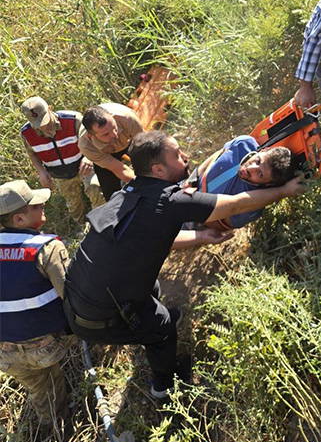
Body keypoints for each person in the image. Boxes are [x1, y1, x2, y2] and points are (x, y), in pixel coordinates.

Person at [63, 131, 307, 398]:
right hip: (100, 316)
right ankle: (163, 387)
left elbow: (157, 239)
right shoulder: (170, 202)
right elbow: (235, 205)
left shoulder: (128, 194)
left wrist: (201, 236)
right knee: (162, 331)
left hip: (77, 294)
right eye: (178, 155)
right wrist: (283, 190)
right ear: (158, 169)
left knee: (150, 285)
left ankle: (150, 315)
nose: (186, 157)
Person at [0, 180, 74, 427]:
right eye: (34, 204)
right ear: (19, 220)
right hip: (45, 346)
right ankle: (61, 427)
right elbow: (73, 297)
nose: (41, 204)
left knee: (40, 387)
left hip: (4, 353)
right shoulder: (47, 247)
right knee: (50, 380)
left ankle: (48, 423)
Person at [18, 97, 102, 224]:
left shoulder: (73, 120)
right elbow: (32, 154)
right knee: (73, 204)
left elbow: (92, 140)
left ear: (50, 109)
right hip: (60, 174)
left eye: (45, 121)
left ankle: (101, 220)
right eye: (38, 125)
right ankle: (82, 225)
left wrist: (88, 158)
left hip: (84, 165)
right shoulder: (27, 133)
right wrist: (41, 172)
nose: (43, 127)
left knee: (95, 188)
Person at [185, 136, 295, 230]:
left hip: (188, 219)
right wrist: (191, 181)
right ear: (263, 150)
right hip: (186, 185)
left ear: (268, 184)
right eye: (257, 161)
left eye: (260, 174)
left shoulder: (253, 204)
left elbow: (220, 224)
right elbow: (218, 154)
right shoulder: (244, 142)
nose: (251, 168)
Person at [79, 102, 144, 201]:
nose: (114, 135)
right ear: (91, 136)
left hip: (130, 143)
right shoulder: (86, 145)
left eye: (114, 128)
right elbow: (120, 170)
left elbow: (147, 149)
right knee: (112, 195)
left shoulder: (127, 118)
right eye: (106, 134)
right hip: (104, 155)